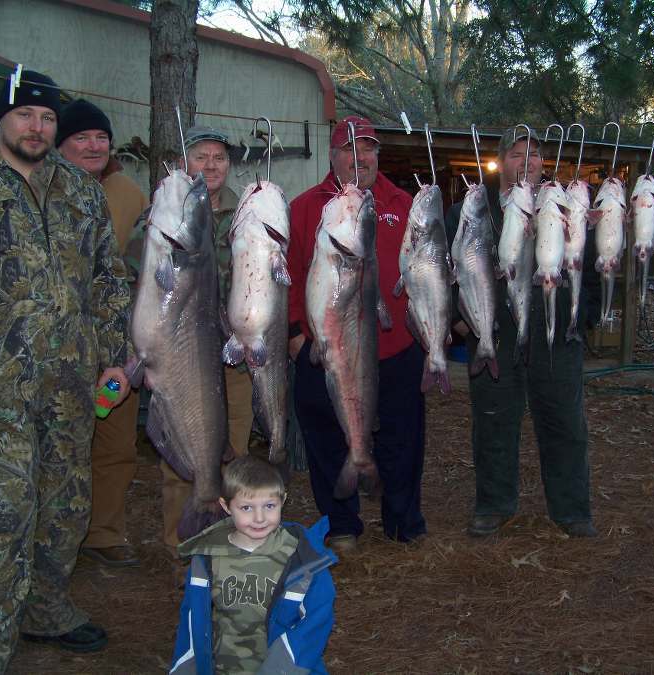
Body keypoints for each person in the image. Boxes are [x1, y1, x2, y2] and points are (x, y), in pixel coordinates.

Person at [0, 70, 132, 671]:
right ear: (2, 118)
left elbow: (109, 277)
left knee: (65, 505)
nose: (36, 128)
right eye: (24, 116)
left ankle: (44, 610)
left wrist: (111, 353)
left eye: (46, 119)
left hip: (72, 385)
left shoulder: (80, 191)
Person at [444, 129, 599, 539]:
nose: (527, 161)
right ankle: (494, 504)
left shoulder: (563, 204)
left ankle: (572, 510)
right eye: (516, 154)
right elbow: (446, 263)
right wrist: (458, 321)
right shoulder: (472, 209)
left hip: (555, 332)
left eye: (534, 154)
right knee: (493, 422)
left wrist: (585, 317)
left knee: (564, 422)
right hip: (495, 332)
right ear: (500, 161)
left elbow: (591, 258)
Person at [287, 115, 426, 553]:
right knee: (326, 436)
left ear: (378, 155)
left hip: (395, 347)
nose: (359, 156)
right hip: (327, 349)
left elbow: (425, 268)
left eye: (367, 147)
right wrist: (294, 333)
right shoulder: (308, 206)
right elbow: (287, 273)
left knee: (402, 437)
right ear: (333, 156)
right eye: (348, 148)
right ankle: (340, 521)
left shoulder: (403, 203)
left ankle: (402, 521)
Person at [57, 98, 149, 568]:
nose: (93, 145)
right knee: (60, 449)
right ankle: (53, 541)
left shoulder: (129, 193)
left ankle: (104, 532)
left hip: (119, 344)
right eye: (81, 137)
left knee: (116, 444)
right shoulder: (43, 191)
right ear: (61, 144)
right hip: (58, 346)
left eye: (101, 137)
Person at [160, 125, 255, 555]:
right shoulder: (166, 214)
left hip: (232, 361)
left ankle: (229, 552)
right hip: (183, 361)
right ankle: (182, 553)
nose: (212, 165)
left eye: (219, 157)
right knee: (185, 457)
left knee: (232, 455)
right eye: (202, 156)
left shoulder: (250, 214)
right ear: (185, 163)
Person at [170, 455, 336, 674]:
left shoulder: (303, 561)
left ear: (282, 500)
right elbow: (192, 622)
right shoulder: (208, 558)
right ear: (226, 506)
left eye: (269, 505)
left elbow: (315, 625)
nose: (259, 518)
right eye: (246, 508)